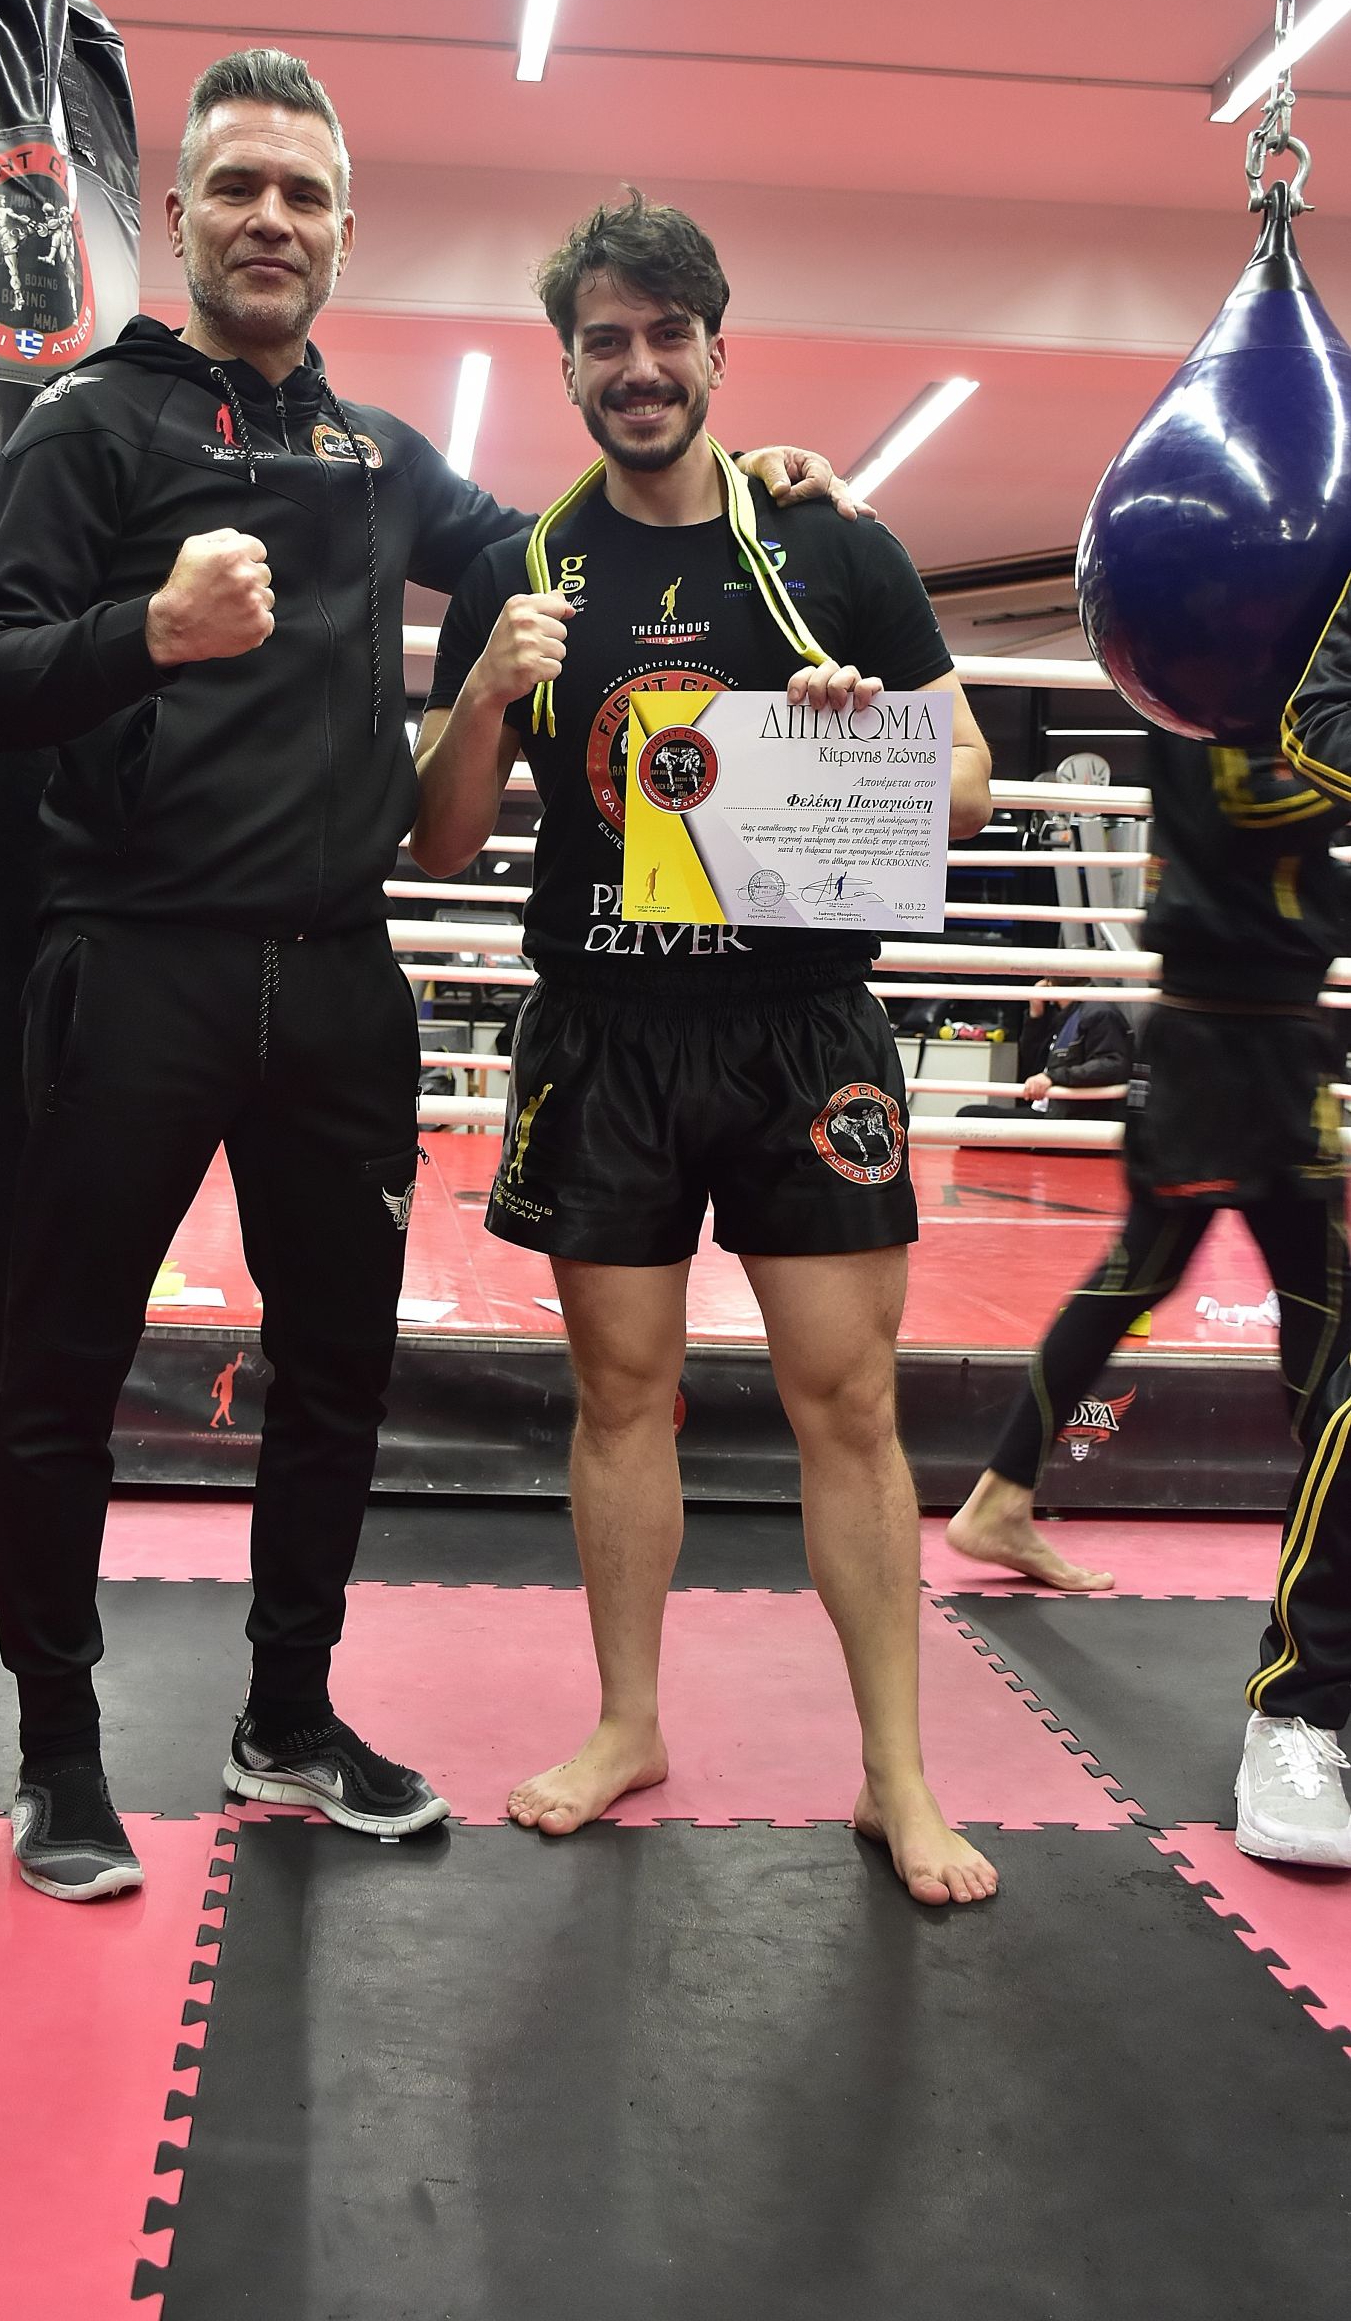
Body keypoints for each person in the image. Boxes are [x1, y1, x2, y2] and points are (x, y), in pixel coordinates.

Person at [0, 54, 860, 1902]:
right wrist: (147, 631)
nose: (269, 220)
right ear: (179, 216)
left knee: (336, 1379)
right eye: (236, 188)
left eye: (302, 193)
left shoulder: (379, 460)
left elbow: (573, 549)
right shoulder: (90, 426)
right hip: (134, 968)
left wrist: (754, 492)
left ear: (344, 231)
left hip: (337, 983)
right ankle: (55, 1752)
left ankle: (286, 1721)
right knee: (62, 1368)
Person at [411, 190, 1000, 1906]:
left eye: (667, 335)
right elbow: (437, 841)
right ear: (567, 366)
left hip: (798, 1029)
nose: (639, 366)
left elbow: (968, 788)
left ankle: (895, 1775)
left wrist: (864, 735)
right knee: (618, 1397)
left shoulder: (828, 549)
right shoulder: (516, 573)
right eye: (604, 340)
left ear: (715, 351)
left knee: (850, 1402)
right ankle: (627, 1725)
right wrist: (481, 695)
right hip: (602, 1033)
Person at [949, 730, 1351, 1869]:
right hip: (1216, 1041)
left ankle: (1007, 1496)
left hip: (1278, 1040)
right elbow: (1263, 807)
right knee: (1153, 1277)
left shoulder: (1284, 693)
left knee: (1313, 1295)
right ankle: (1000, 1497)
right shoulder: (1217, 689)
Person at [958, 979, 1133, 1124]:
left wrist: (1052, 1077)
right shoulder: (1065, 1014)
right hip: (1053, 1113)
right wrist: (1036, 1014)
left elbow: (1112, 1065)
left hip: (1070, 1120)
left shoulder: (1098, 1012)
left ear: (1049, 983)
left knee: (969, 1118)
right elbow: (1030, 1061)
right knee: (968, 1117)